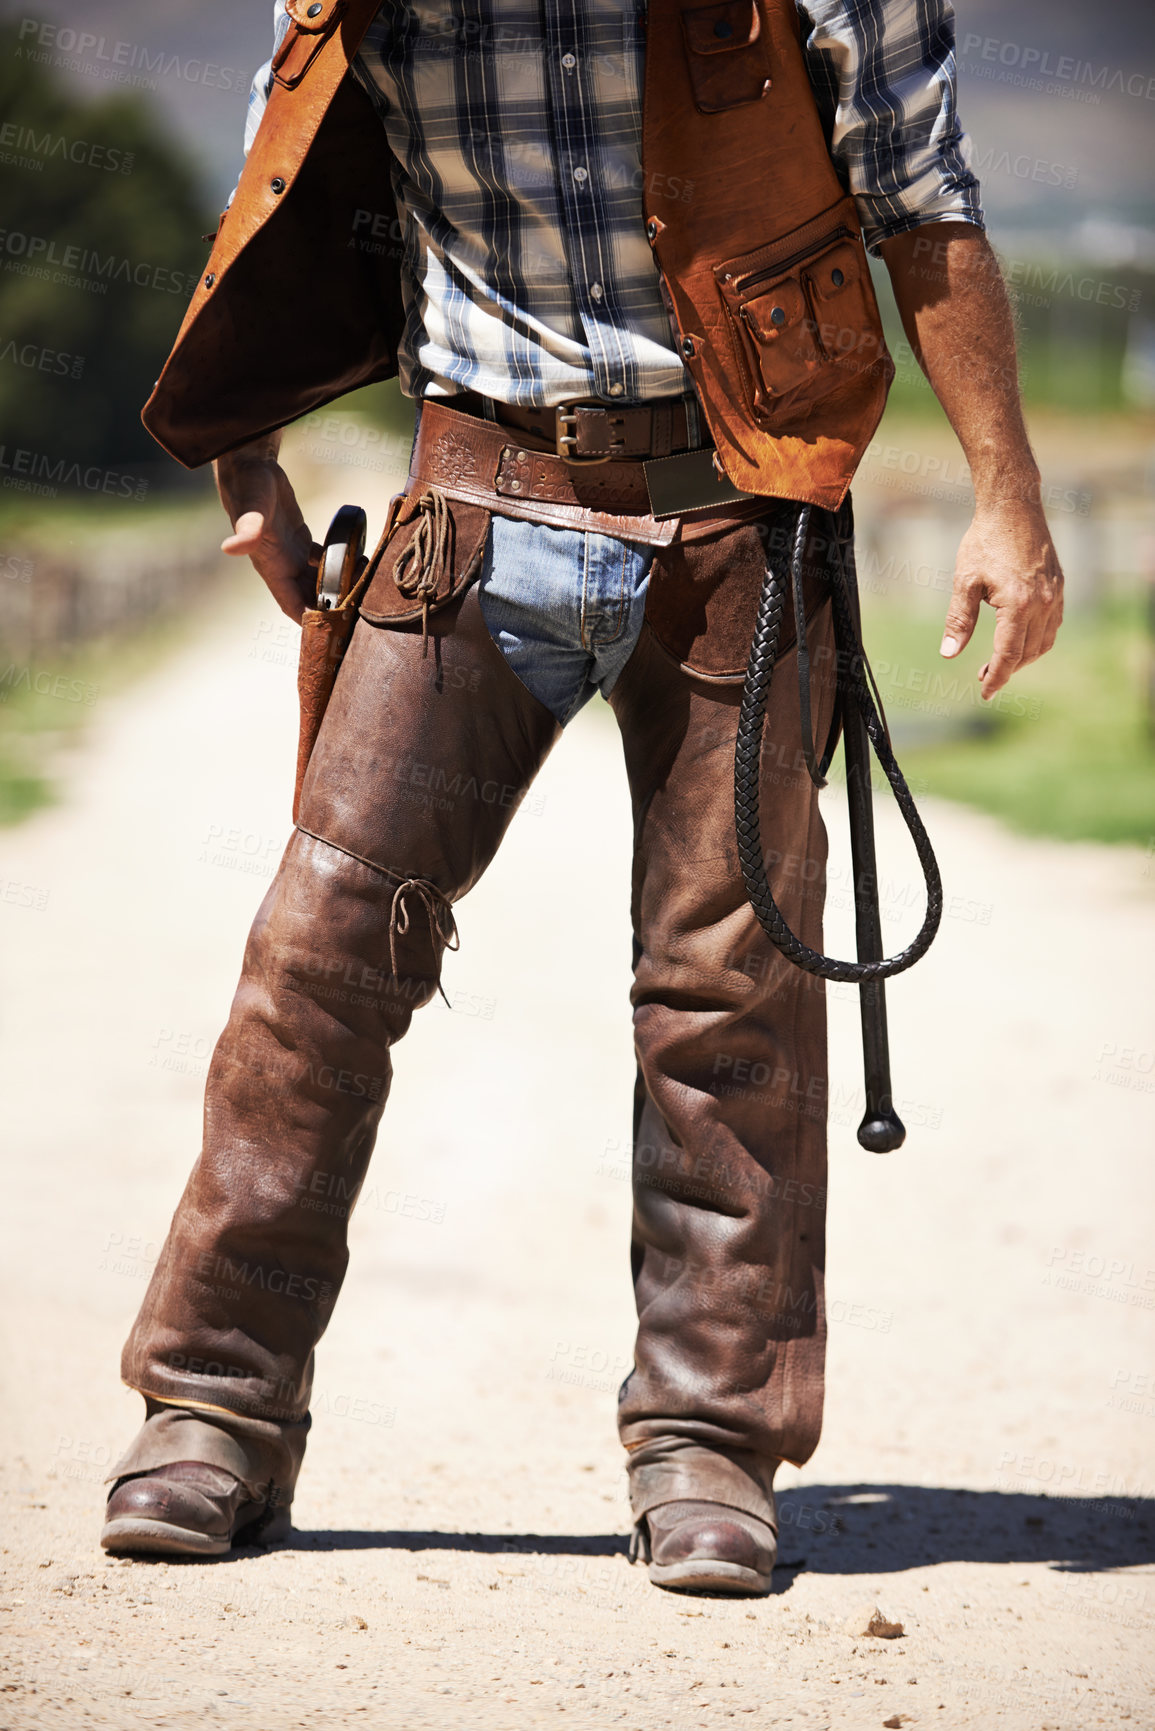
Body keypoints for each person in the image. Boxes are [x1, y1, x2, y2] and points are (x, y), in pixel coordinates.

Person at [100, 0, 1063, 1594]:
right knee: (317, 963)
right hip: (471, 508)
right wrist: (241, 448)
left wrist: (1007, 506)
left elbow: (921, 193)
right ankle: (212, 1410)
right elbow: (290, 170)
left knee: (728, 986)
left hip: (742, 514)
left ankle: (707, 1438)